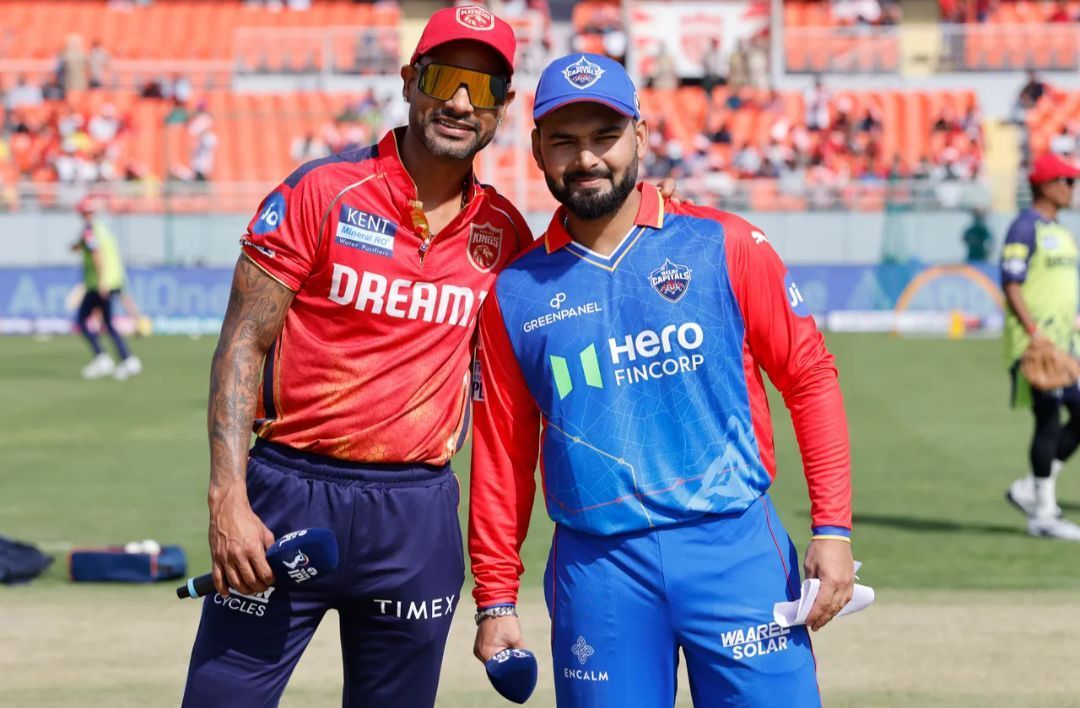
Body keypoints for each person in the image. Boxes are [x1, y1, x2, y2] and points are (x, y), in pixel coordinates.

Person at [178, 9, 692, 707]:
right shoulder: (322, 193)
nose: (458, 102)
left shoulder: (505, 233)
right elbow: (242, 342)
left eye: (481, 89)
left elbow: (583, 290)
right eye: (445, 79)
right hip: (286, 494)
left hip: (415, 517)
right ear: (409, 82)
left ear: (504, 109)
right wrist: (227, 498)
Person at [470, 53, 853, 707]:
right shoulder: (514, 293)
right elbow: (502, 451)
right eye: (564, 140)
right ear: (537, 149)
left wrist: (833, 530)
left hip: (734, 551)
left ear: (640, 137)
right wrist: (494, 597)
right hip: (599, 573)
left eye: (604, 136)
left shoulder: (724, 244)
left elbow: (810, 377)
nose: (586, 158)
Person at [1001, 152, 1080, 540]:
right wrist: (1033, 331)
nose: (1072, 189)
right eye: (1067, 182)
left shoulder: (1062, 232)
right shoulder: (1024, 227)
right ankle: (1044, 513)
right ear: (1047, 186)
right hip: (1034, 347)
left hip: (1065, 346)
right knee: (1048, 418)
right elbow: (1011, 281)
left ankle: (1031, 488)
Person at [72, 197, 142, 380]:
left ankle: (106, 358)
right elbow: (88, 247)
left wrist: (102, 281)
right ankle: (126, 359)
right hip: (111, 281)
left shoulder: (90, 231)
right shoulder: (100, 229)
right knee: (108, 323)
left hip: (100, 284)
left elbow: (97, 255)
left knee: (83, 320)